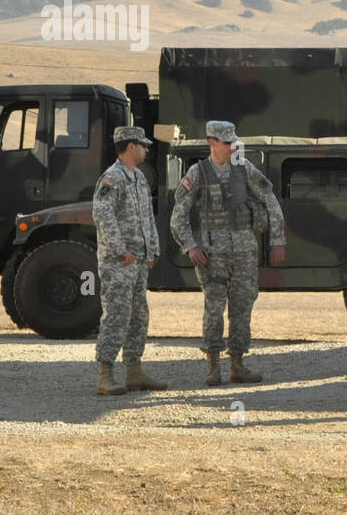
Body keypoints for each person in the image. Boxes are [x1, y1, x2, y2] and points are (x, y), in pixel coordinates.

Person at [170, 121, 286, 386]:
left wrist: (278, 240)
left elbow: (271, 201)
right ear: (212, 143)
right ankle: (212, 367)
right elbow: (179, 215)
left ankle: (237, 364)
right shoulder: (197, 173)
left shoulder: (245, 169)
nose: (233, 146)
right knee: (214, 310)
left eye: (234, 142)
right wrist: (190, 245)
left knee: (243, 308)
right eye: (227, 142)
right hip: (212, 256)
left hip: (245, 253)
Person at [92, 125, 166, 395]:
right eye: (143, 145)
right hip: (119, 263)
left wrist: (153, 249)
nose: (147, 149)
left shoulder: (139, 178)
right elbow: (102, 214)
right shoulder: (112, 178)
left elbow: (147, 217)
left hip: (138, 262)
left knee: (138, 317)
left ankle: (134, 371)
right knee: (117, 316)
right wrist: (121, 249)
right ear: (130, 146)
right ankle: (105, 375)